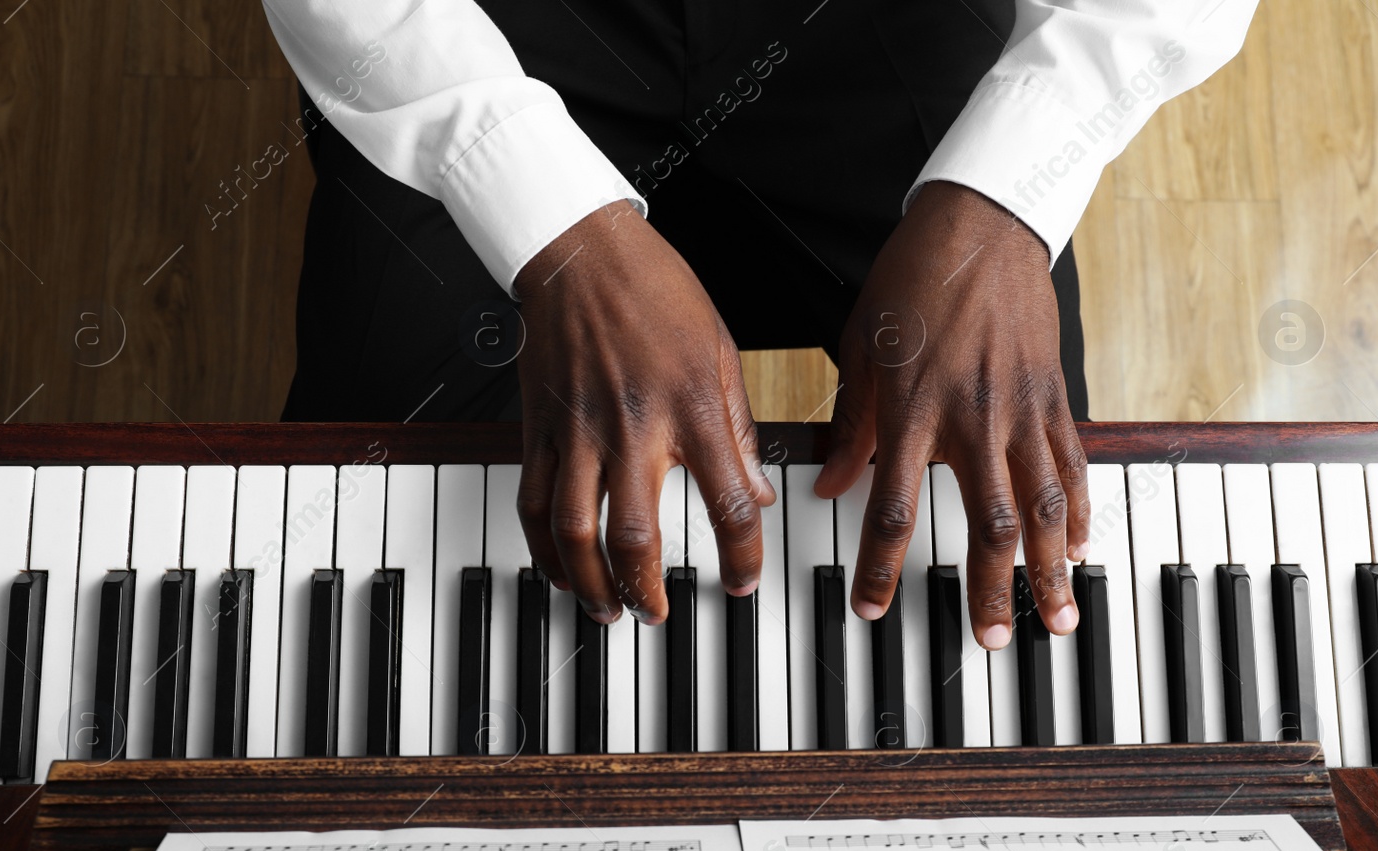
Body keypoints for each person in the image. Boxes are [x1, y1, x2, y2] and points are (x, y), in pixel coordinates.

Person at [262, 0, 1255, 650]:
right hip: (472, 27)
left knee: (993, 543)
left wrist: (1005, 190)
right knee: (370, 565)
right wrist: (540, 209)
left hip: (882, 25)